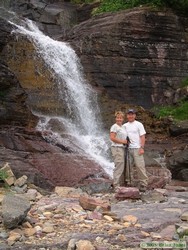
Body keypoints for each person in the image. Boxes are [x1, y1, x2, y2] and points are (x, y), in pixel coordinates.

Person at [123, 109, 148, 192]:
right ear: (127, 116)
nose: (130, 116)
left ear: (135, 115)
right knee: (128, 167)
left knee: (140, 166)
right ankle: (129, 182)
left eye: (132, 114)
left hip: (137, 148)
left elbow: (142, 137)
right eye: (129, 114)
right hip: (128, 149)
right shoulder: (125, 126)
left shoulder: (139, 124)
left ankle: (143, 183)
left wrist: (142, 147)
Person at [110, 111, 128, 190]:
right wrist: (123, 142)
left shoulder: (123, 127)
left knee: (121, 165)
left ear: (123, 119)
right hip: (116, 148)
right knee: (119, 165)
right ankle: (116, 185)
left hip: (122, 148)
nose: (119, 119)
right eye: (117, 118)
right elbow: (112, 138)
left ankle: (118, 183)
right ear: (115, 118)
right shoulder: (114, 126)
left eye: (120, 118)